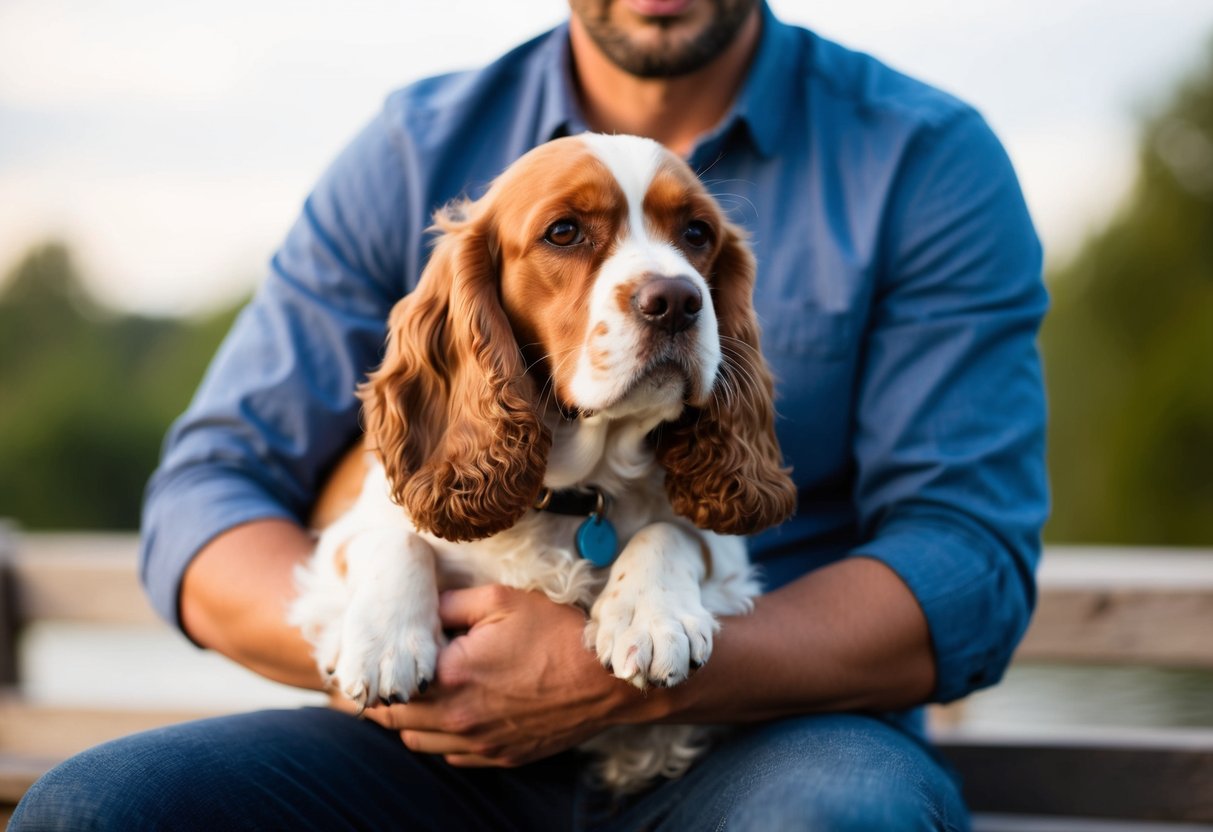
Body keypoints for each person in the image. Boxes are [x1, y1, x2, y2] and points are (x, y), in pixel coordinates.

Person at [12, 0, 1047, 829]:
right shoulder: (415, 146)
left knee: (838, 814)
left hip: (758, 732)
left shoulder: (924, 158)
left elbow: (969, 558)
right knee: (96, 807)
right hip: (424, 742)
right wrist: (411, 641)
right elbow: (208, 488)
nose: (664, 282)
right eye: (568, 235)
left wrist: (626, 678)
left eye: (686, 242)